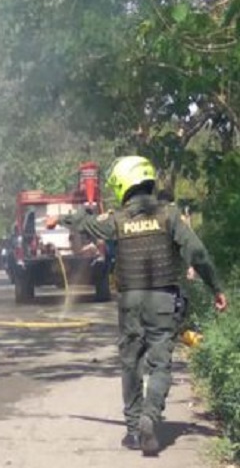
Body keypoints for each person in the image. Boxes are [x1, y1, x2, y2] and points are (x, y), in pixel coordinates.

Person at [47, 156, 228, 456]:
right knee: (160, 363)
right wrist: (217, 288)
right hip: (163, 301)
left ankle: (133, 431)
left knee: (131, 361)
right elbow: (197, 253)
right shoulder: (169, 215)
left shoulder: (117, 219)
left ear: (123, 185)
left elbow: (87, 223)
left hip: (130, 302)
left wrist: (62, 219)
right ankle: (150, 417)